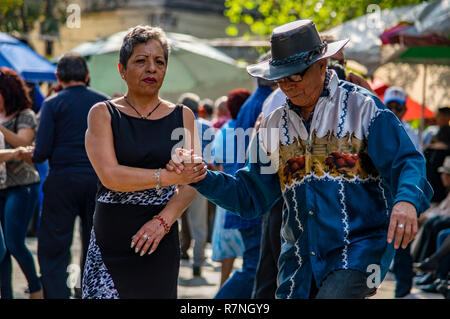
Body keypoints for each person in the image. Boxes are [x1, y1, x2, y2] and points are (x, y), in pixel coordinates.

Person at [171, 20, 433, 299]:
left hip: (358, 249)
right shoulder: (272, 125)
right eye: (281, 78)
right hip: (299, 260)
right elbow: (249, 195)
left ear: (323, 66)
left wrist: (405, 201)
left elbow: (407, 161)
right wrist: (201, 176)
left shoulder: (364, 108)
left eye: (296, 75)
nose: (288, 85)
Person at [82, 25, 206, 299]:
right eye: (141, 60)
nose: (152, 68)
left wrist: (162, 222)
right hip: (111, 239)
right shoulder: (103, 113)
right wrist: (170, 176)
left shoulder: (183, 116)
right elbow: (111, 176)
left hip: (161, 236)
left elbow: (193, 181)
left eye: (159, 62)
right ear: (122, 69)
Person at [17, 53, 110, 299]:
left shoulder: (53, 104)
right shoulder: (105, 103)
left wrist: (30, 154)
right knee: (95, 244)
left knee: (55, 246)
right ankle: (88, 292)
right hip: (99, 181)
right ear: (87, 76)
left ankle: (58, 293)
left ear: (58, 77)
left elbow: (42, 151)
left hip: (62, 181)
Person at [0, 67, 42, 299]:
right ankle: (6, 294)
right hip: (1, 186)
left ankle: (35, 288)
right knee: (1, 249)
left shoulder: (25, 114)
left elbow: (23, 142)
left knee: (15, 242)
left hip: (22, 185)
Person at [210, 88, 250, 289]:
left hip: (226, 191)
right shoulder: (250, 127)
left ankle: (223, 285)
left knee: (228, 247)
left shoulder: (226, 129)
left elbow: (216, 160)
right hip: (248, 192)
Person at [177, 92, 212, 277]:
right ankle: (198, 262)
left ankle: (173, 259)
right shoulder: (207, 126)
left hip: (176, 178)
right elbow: (214, 156)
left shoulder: (174, 125)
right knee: (199, 224)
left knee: (172, 221)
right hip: (200, 177)